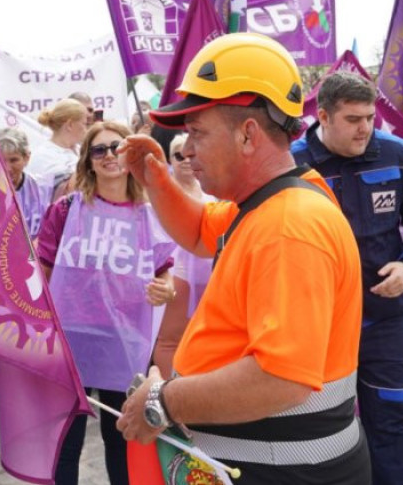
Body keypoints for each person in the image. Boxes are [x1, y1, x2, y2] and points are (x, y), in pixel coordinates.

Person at [116, 33, 370, 484]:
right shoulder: (265, 200)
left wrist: (163, 401)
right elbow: (198, 231)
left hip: (283, 473)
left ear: (248, 134)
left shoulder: (288, 225)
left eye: (197, 132)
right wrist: (153, 178)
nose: (187, 149)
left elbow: (280, 379)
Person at [293, 71, 403, 485]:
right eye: (354, 119)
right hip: (318, 326)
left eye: (370, 117)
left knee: (394, 418)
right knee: (320, 427)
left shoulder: (395, 153)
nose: (365, 128)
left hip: (384, 320)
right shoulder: (291, 164)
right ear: (323, 116)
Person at [37, 121, 177, 485]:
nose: (109, 155)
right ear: (87, 161)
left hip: (125, 339)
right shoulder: (65, 210)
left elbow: (165, 272)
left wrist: (165, 289)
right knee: (66, 440)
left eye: (116, 147)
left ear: (129, 155)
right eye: (99, 150)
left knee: (121, 438)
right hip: (71, 338)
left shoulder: (150, 215)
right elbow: (43, 272)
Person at [151, 133, 215, 377]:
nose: (186, 160)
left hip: (208, 270)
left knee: (204, 333)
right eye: (179, 156)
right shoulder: (161, 192)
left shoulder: (211, 188)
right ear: (170, 160)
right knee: (171, 337)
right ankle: (166, 389)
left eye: (192, 154)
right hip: (176, 270)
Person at [0, 127, 52, 241]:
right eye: (1, 160)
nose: (8, 168)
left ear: (26, 158)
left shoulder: (41, 189)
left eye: (14, 160)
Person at [26, 98, 88, 189]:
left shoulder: (80, 150)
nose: (86, 129)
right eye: (84, 124)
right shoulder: (43, 156)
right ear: (70, 125)